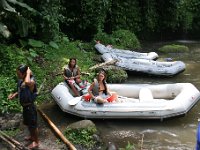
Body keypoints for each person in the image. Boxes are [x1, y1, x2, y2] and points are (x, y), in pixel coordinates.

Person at [8, 64, 39, 149]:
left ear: (25, 73)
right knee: (28, 124)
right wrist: (14, 95)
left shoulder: (31, 81)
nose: (17, 75)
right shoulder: (21, 80)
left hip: (30, 107)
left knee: (33, 125)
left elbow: (28, 82)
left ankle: (36, 142)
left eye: (19, 73)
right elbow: (20, 91)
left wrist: (28, 72)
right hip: (25, 107)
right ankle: (32, 137)